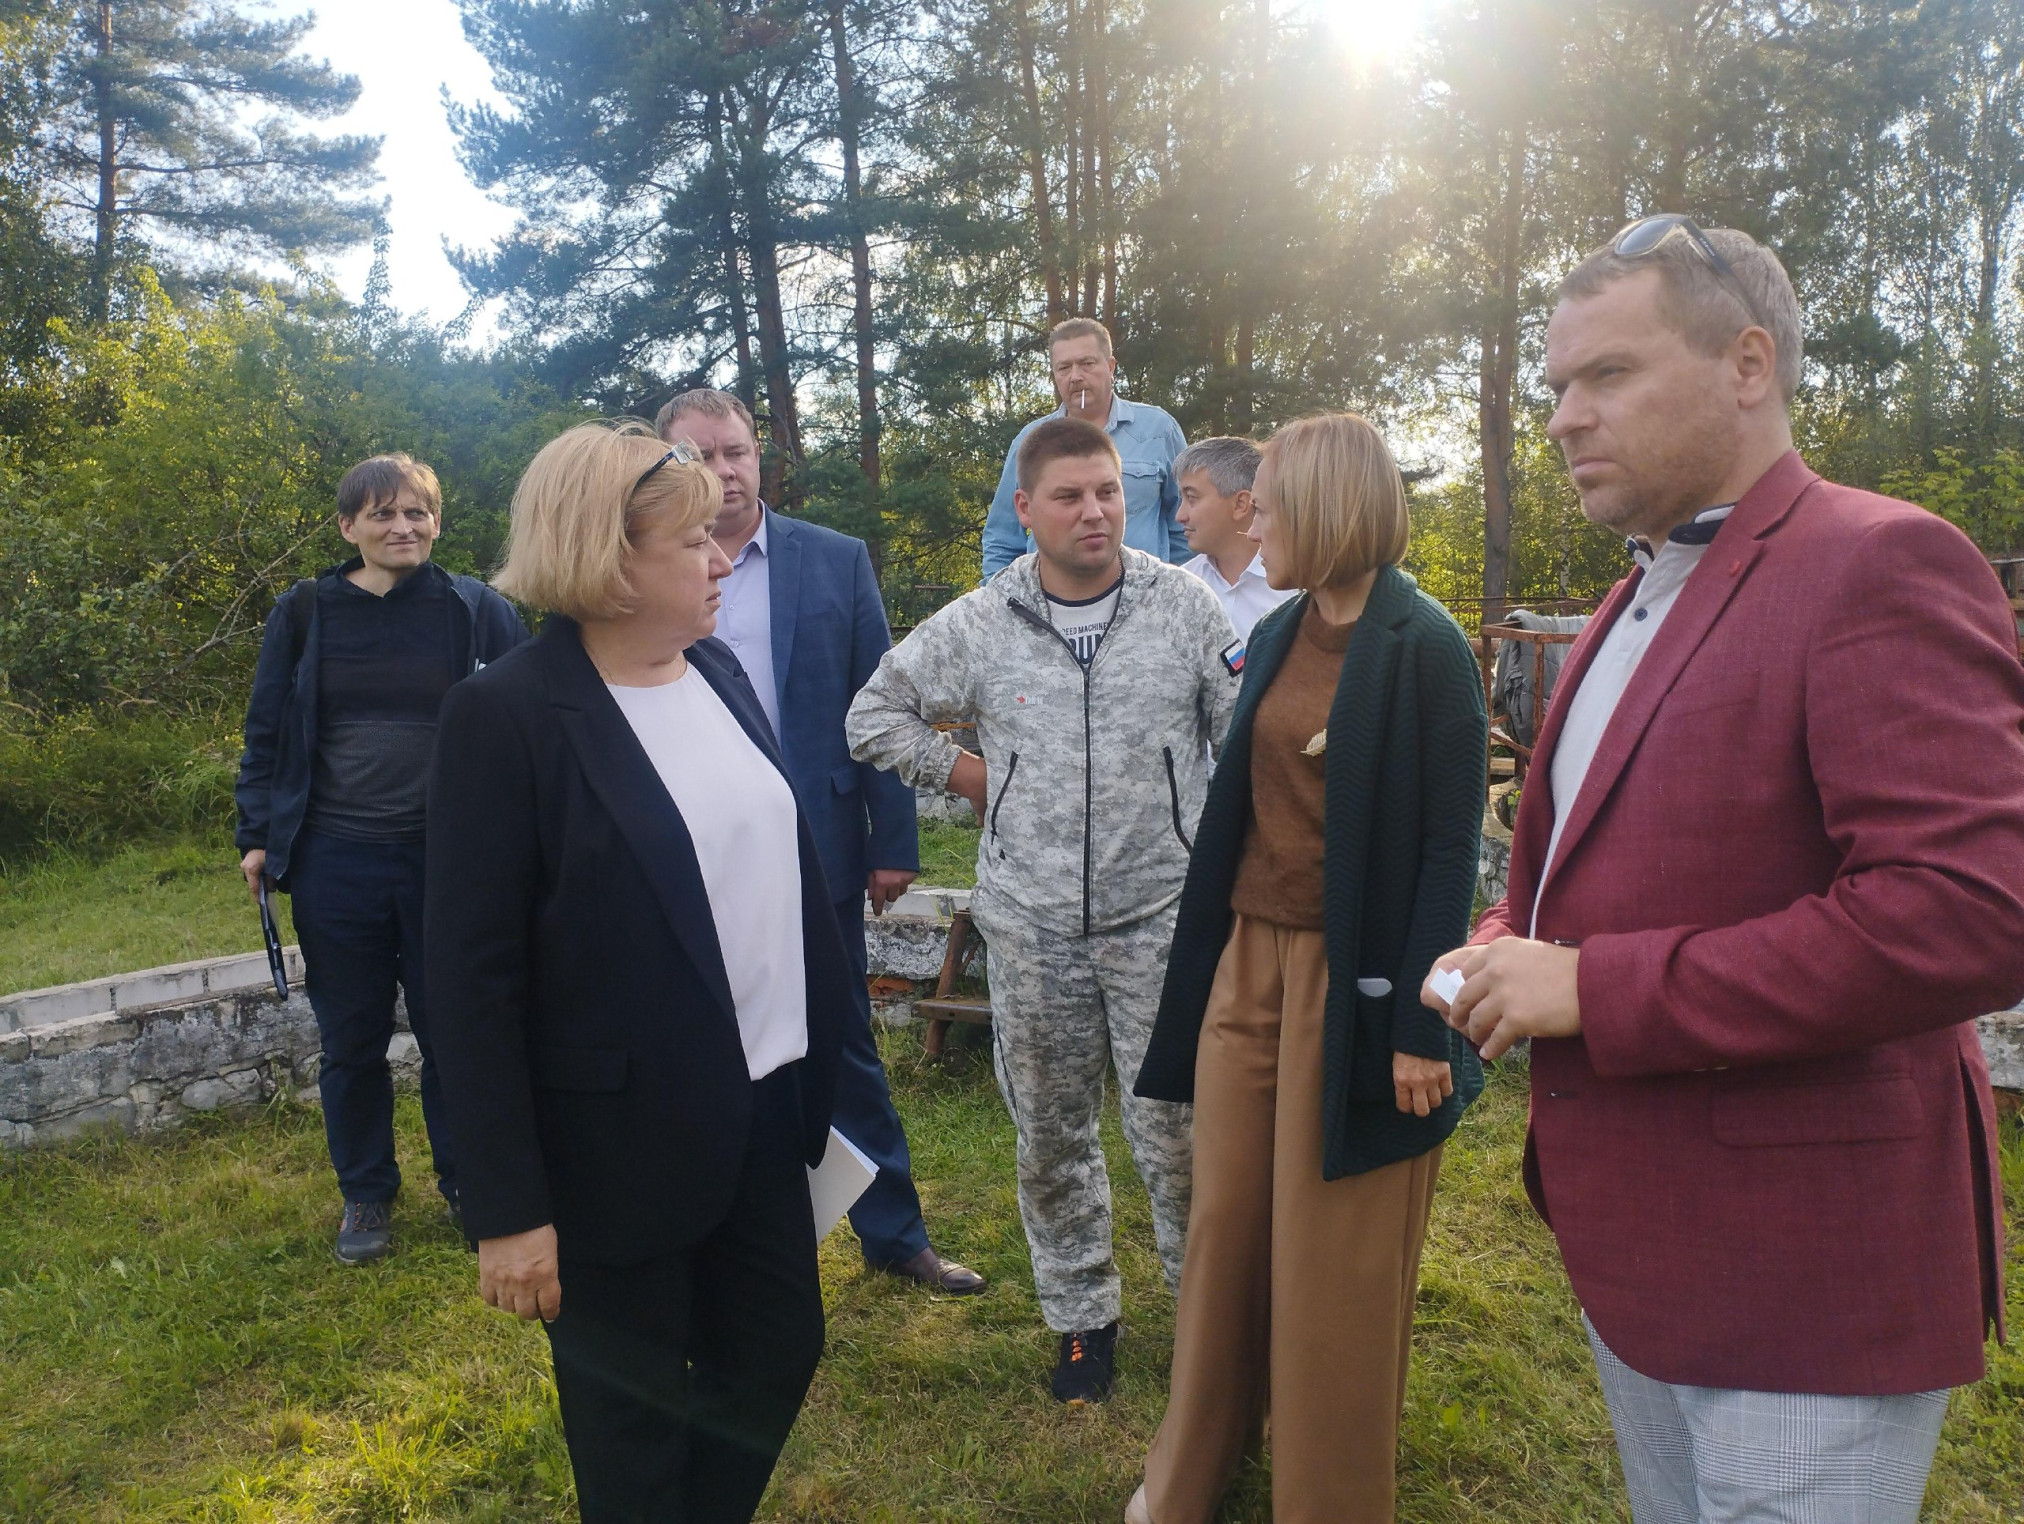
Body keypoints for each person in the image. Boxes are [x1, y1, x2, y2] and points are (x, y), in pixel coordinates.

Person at [1426, 217, 2024, 1524]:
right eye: (1555, 390)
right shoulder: (1627, 601)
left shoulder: (1880, 561)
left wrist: (1595, 987)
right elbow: (1606, 862)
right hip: (1644, 1255)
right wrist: (1505, 940)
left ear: (1749, 365)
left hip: (1807, 1277)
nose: (1567, 418)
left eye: (1610, 377)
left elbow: (1970, 915)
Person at [424, 422, 854, 1524]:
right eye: (695, 546)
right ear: (608, 565)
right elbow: (468, 983)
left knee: (773, 1355)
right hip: (609, 1144)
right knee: (632, 1427)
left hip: (762, 1106)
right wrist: (507, 1208)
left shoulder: (712, 668)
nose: (721, 564)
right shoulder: (506, 715)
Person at [1128, 414, 1487, 1524]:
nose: (1250, 518)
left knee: (1333, 1262)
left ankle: (1326, 1501)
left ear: (1325, 509)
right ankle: (1190, 1475)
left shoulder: (1420, 644)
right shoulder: (1282, 629)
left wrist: (1420, 1028)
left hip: (1355, 985)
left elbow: (1446, 846)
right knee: (1227, 1230)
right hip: (1246, 968)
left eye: (1268, 503)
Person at [848, 416, 1241, 1403]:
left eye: (1106, 490)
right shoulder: (984, 620)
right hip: (1030, 930)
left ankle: (1209, 1330)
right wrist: (972, 774)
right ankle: (1080, 1324)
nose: (1094, 511)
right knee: (1053, 1142)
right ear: (1024, 511)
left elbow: (1242, 749)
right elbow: (871, 714)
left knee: (1182, 1142)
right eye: (1068, 496)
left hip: (1161, 920)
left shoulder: (1182, 607)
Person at [653, 387, 986, 1296]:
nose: (724, 473)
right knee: (705, 1046)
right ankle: (730, 1244)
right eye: (701, 457)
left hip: (815, 843)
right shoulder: (640, 564)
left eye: (737, 452)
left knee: (839, 1039)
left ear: (761, 454)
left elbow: (881, 703)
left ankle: (894, 1231)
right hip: (687, 848)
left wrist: (895, 838)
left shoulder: (834, 561)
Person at [233, 452, 526, 1265]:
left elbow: (530, 727)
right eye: (383, 515)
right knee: (352, 1040)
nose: (402, 528)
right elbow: (266, 733)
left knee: (458, 1034)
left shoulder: (480, 611)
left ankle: (472, 1185)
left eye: (417, 514)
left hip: (451, 865)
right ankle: (366, 1194)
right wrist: (257, 835)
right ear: (348, 526)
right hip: (336, 863)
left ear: (437, 521)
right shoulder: (303, 613)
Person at [981, 318, 1188, 580]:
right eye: (1064, 367)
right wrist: (1004, 603)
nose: (1076, 376)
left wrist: (1174, 587)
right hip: (1052, 606)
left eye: (1087, 364)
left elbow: (1185, 525)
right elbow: (1001, 537)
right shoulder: (1030, 441)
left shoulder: (1159, 430)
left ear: (1111, 367)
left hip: (1142, 601)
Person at [1173, 435, 1295, 641]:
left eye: (1192, 498)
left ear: (1240, 504)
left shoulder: (1295, 589)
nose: (1179, 516)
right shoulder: (1177, 587)